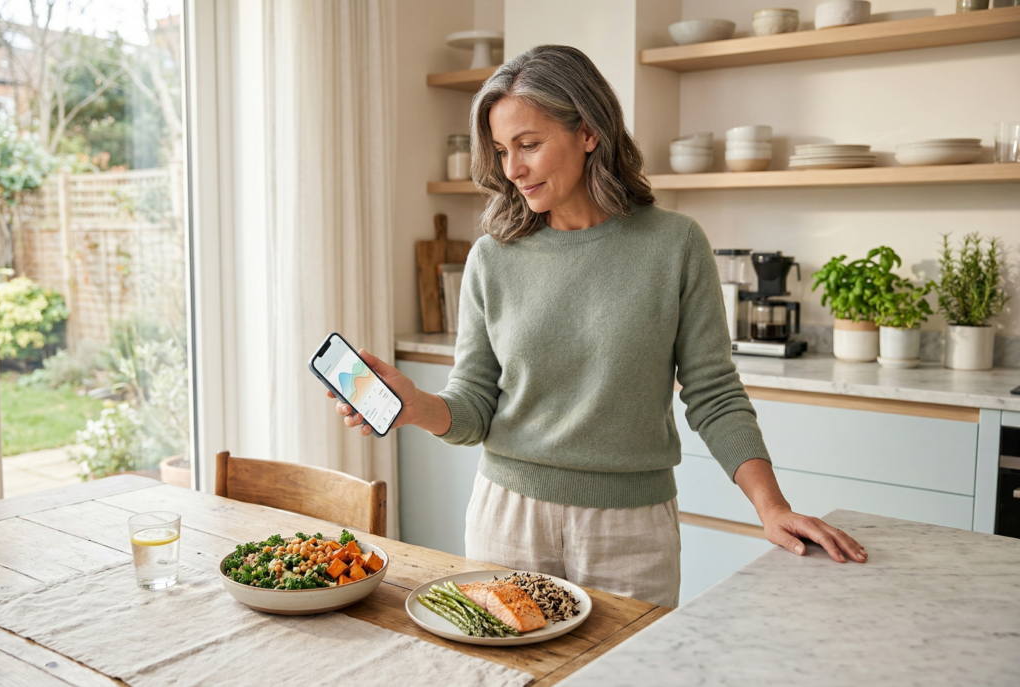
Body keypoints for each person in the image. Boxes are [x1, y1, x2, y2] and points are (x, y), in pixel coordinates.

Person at [332, 45, 866, 608]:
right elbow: (473, 406)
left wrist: (772, 507)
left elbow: (714, 393)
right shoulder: (493, 257)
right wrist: (416, 405)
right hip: (508, 520)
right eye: (501, 150)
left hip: (631, 532)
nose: (512, 169)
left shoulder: (675, 246)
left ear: (588, 132)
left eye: (529, 145)